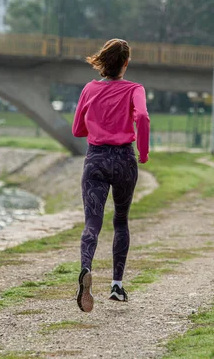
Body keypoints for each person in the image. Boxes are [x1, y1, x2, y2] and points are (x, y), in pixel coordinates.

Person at [72, 39, 150, 312]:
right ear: (126, 63)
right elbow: (142, 117)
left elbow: (77, 130)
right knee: (121, 220)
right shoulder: (135, 89)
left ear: (103, 62)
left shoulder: (89, 89)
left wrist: (96, 127)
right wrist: (144, 150)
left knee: (92, 222)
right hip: (124, 159)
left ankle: (85, 268)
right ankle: (117, 285)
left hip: (96, 158)